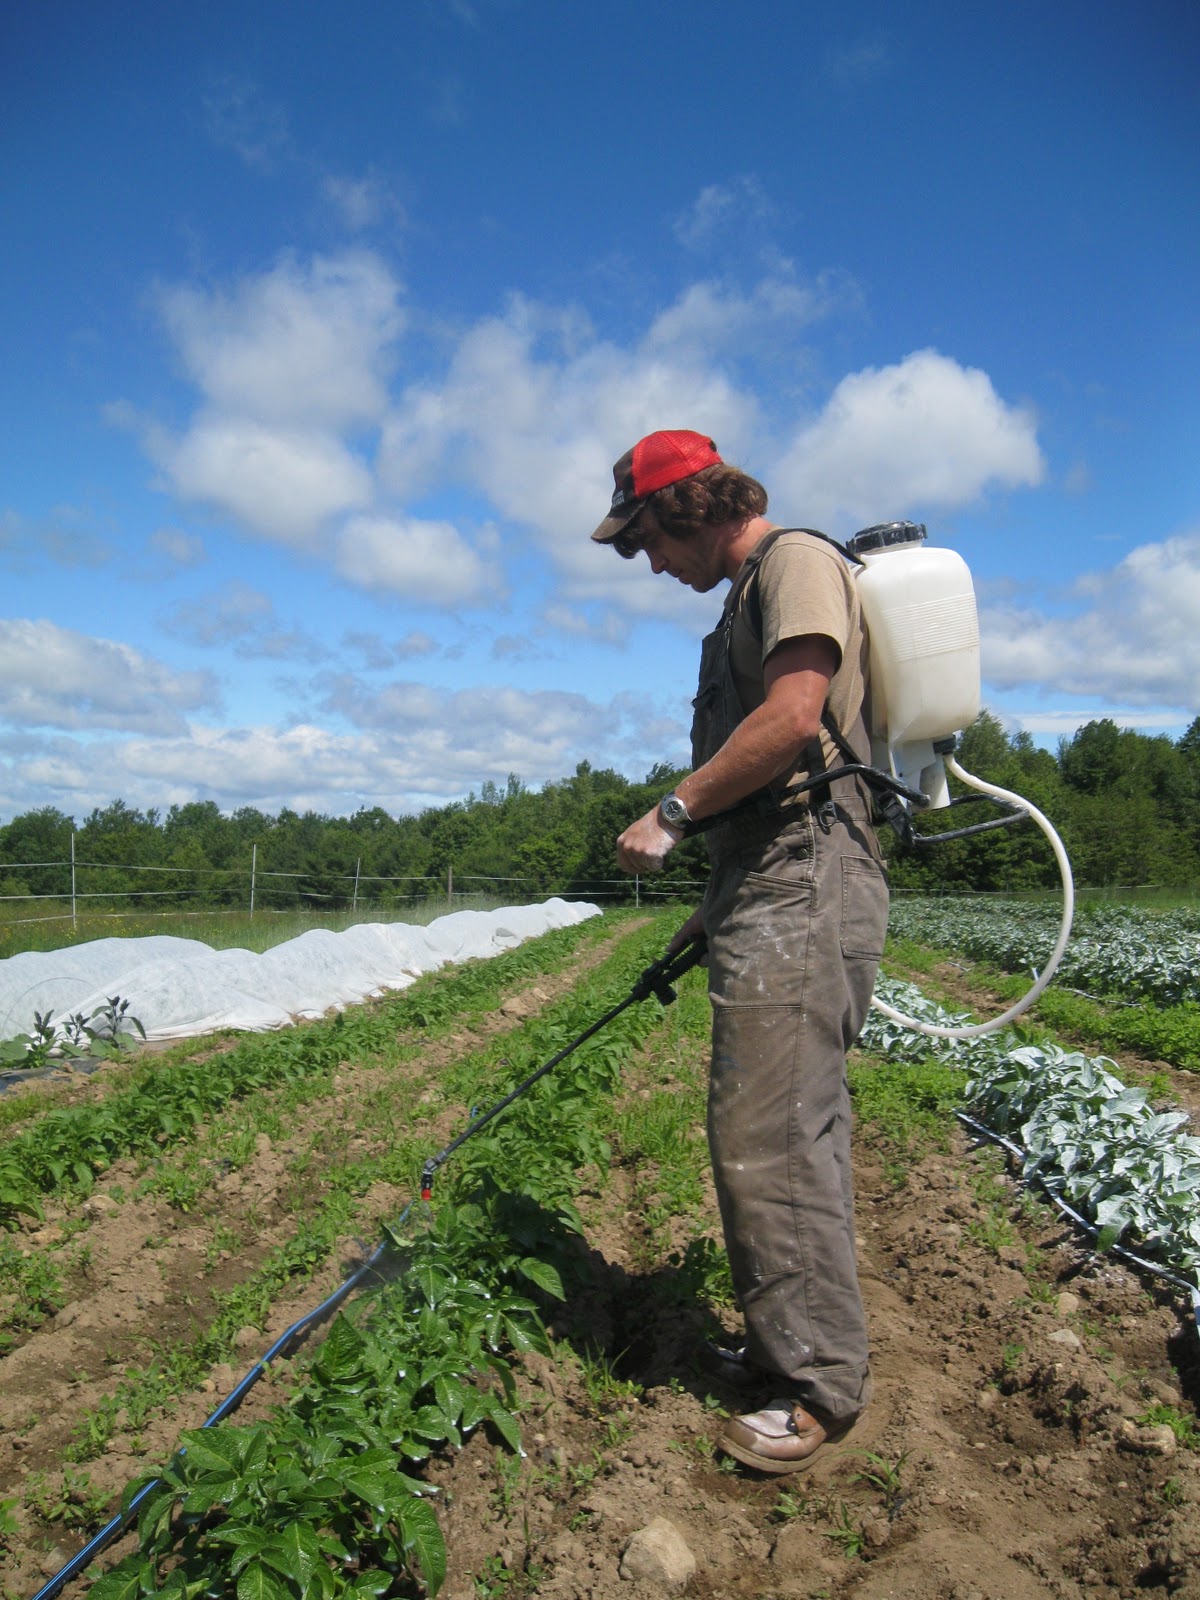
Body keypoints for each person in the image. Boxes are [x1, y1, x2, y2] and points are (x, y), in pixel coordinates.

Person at [590, 429, 889, 1473]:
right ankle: (787, 1351)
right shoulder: (739, 599)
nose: (651, 565)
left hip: (808, 884)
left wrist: (670, 812)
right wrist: (712, 906)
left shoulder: (794, 562)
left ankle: (815, 1390)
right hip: (771, 884)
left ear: (688, 507)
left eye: (648, 542)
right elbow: (767, 800)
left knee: (771, 1138)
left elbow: (794, 721)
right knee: (782, 1129)